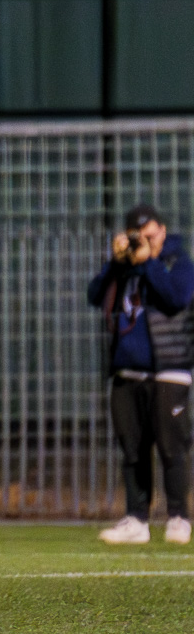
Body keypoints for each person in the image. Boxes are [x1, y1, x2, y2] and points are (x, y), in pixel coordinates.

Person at [88, 204, 194, 545]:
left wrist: (148, 262)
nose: (143, 242)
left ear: (162, 231)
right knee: (132, 449)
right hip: (128, 371)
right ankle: (136, 518)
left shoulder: (178, 263)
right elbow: (95, 296)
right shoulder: (126, 267)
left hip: (168, 370)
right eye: (138, 237)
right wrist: (116, 263)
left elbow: (176, 298)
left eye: (149, 235)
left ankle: (178, 516)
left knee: (171, 447)